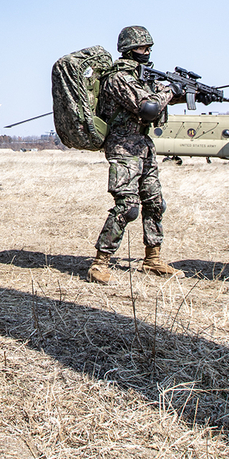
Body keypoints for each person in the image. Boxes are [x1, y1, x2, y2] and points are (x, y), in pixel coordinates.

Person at [87, 26, 191, 285]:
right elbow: (148, 107)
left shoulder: (141, 76)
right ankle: (100, 262)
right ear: (131, 49)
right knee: (128, 207)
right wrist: (170, 90)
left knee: (156, 203)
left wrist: (189, 93)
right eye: (144, 48)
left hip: (143, 146)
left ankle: (153, 259)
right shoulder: (120, 78)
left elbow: (158, 96)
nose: (148, 52)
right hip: (123, 148)